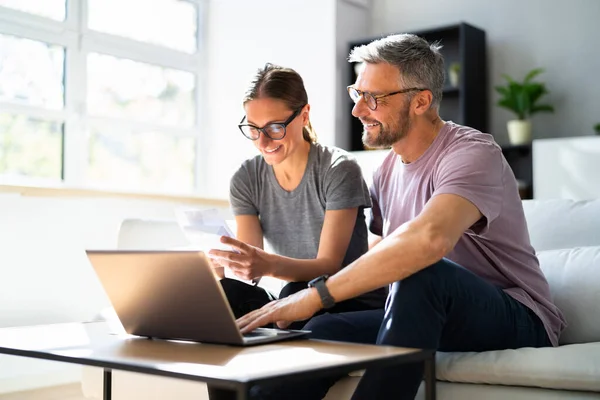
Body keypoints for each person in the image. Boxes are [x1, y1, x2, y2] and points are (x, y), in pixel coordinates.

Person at [237, 34, 567, 400]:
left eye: (373, 98)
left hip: (516, 316)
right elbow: (379, 254)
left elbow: (428, 241)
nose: (358, 110)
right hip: (429, 311)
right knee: (323, 329)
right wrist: (302, 296)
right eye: (356, 94)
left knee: (422, 271)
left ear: (421, 101)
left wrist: (318, 295)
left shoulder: (473, 152)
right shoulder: (386, 170)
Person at [207, 63, 387, 325]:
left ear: (304, 116)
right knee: (226, 295)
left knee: (293, 291)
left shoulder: (338, 169)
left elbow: (329, 266)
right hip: (294, 296)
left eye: (275, 128)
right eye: (254, 128)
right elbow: (250, 269)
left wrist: (266, 265)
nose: (263, 142)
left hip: (347, 297)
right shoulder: (246, 178)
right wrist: (226, 266)